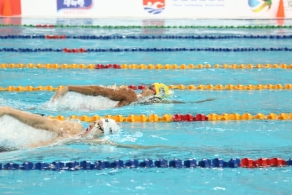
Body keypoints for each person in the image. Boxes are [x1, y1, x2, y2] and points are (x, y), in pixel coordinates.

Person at [0, 106, 120, 148]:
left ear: (101, 133)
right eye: (94, 122)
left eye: (97, 126)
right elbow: (42, 123)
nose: (91, 125)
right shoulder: (74, 128)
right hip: (27, 127)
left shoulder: (91, 141)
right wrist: (10, 112)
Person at [51, 83, 215, 107]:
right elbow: (99, 90)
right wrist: (70, 88)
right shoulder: (130, 95)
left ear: (154, 93)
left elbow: (99, 91)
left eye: (150, 87)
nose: (144, 87)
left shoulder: (135, 98)